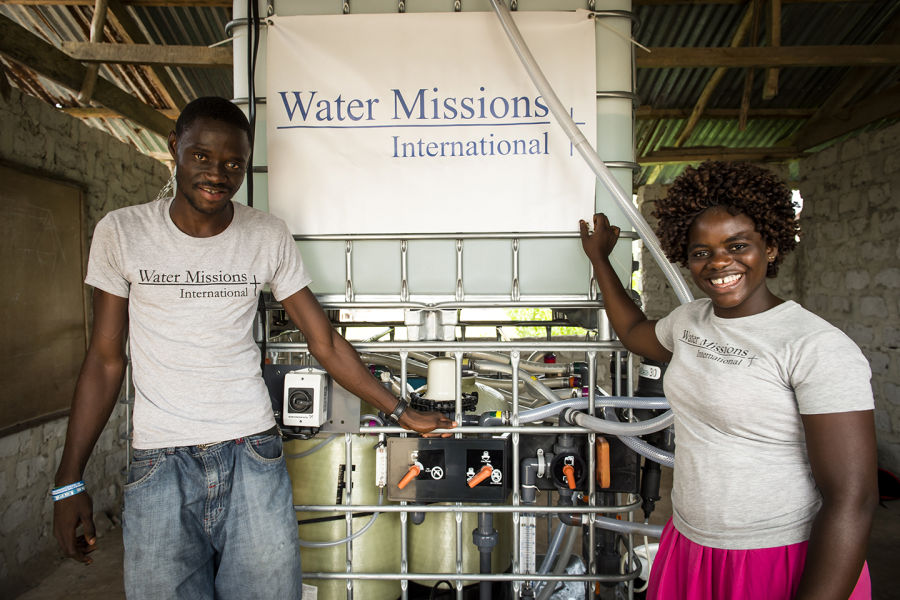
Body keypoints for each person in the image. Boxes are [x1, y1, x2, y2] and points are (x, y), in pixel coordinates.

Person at [52, 96, 455, 599]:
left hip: (252, 455)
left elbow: (323, 339)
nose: (217, 173)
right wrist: (69, 482)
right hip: (159, 464)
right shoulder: (123, 232)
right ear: (174, 147)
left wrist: (399, 409)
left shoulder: (266, 235)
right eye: (201, 156)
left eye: (233, 163)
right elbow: (106, 360)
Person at [579, 161, 877, 600]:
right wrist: (600, 260)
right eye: (702, 252)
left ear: (770, 247)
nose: (719, 263)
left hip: (774, 554)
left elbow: (853, 499)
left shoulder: (815, 346)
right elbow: (634, 332)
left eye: (738, 245)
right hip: (691, 542)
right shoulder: (691, 322)